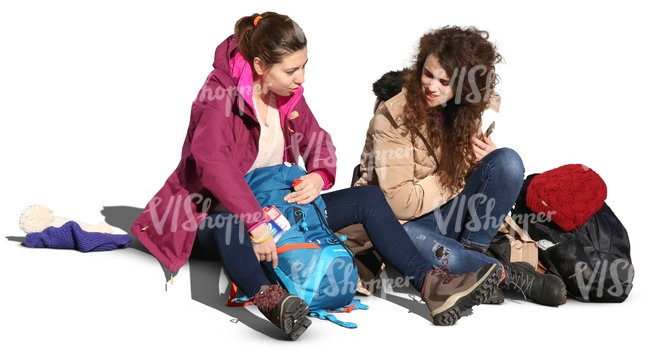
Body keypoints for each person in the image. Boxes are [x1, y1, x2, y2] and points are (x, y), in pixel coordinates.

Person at [130, 13, 500, 340]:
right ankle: (272, 301)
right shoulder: (219, 95)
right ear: (260, 65)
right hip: (212, 213)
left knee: (369, 198)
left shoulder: (288, 95)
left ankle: (431, 285)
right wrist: (257, 224)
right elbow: (213, 164)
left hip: (276, 204)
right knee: (233, 223)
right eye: (291, 71)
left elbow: (319, 141)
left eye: (304, 66)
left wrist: (320, 177)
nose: (301, 79)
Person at [353, 25, 566, 306]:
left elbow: (471, 177)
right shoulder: (391, 119)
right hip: (402, 222)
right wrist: (454, 174)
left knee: (508, 162)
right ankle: (508, 275)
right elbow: (400, 204)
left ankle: (472, 259)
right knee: (416, 240)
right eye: (428, 74)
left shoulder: (465, 111)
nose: (432, 86)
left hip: (446, 211)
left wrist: (482, 160)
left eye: (445, 81)